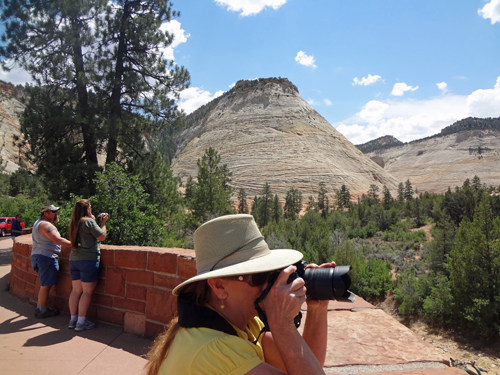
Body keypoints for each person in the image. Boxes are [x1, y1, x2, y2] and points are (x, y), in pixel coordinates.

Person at [145, 214, 334, 375]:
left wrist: (317, 309)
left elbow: (308, 364)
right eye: (259, 276)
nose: (270, 283)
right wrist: (282, 324)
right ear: (219, 286)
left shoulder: (245, 324)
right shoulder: (214, 350)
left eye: (272, 272)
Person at [68, 199, 108, 331]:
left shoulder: (74, 222)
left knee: (75, 291)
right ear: (87, 209)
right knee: (87, 292)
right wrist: (103, 223)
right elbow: (101, 236)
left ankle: (73, 320)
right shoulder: (88, 222)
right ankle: (81, 323)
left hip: (74, 259)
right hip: (88, 260)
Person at [31, 204, 71, 318]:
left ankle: (40, 307)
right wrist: (76, 245)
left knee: (44, 284)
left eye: (56, 211)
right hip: (46, 257)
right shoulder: (45, 225)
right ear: (45, 213)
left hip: (38, 256)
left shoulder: (38, 223)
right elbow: (58, 239)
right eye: (53, 212)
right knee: (46, 285)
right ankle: (43, 310)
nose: (55, 214)